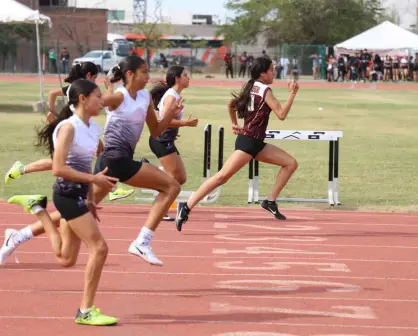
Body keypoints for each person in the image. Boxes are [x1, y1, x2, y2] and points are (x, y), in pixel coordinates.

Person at [7, 79, 118, 325]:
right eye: (98, 97)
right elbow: (58, 168)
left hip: (80, 195)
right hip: (66, 194)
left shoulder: (93, 128)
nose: (102, 101)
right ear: (83, 99)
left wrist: (90, 197)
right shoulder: (68, 128)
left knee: (65, 259)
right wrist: (94, 179)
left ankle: (38, 208)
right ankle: (85, 311)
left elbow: (86, 165)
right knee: (99, 248)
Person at [175, 57, 299, 232]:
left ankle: (270, 201)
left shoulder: (251, 86)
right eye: (272, 70)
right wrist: (292, 93)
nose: (274, 72)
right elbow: (281, 114)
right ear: (263, 74)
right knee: (221, 177)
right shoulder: (264, 90)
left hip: (256, 143)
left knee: (290, 163)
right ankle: (186, 206)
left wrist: (235, 124)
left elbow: (231, 104)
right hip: (248, 143)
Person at [95, 55, 182, 266]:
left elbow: (156, 131)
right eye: (144, 72)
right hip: (115, 159)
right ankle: (142, 242)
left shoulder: (144, 98)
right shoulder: (119, 96)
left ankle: (21, 234)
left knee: (77, 209)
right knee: (171, 187)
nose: (148, 76)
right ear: (130, 74)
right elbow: (91, 105)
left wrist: (170, 113)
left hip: (115, 162)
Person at [4, 61, 134, 202]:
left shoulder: (80, 87)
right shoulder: (79, 88)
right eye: (95, 77)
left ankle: (109, 188)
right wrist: (51, 112)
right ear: (89, 75)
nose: (96, 82)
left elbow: (54, 94)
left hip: (82, 128)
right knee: (77, 160)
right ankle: (109, 188)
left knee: (97, 154)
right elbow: (53, 93)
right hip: (74, 129)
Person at [149, 65, 198, 189]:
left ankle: (148, 170)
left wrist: (174, 130)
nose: (189, 78)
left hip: (167, 138)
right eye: (185, 75)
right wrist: (185, 123)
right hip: (161, 139)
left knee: (181, 178)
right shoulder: (171, 97)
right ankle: (146, 170)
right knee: (174, 179)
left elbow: (169, 121)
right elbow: (163, 121)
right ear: (177, 78)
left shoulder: (175, 95)